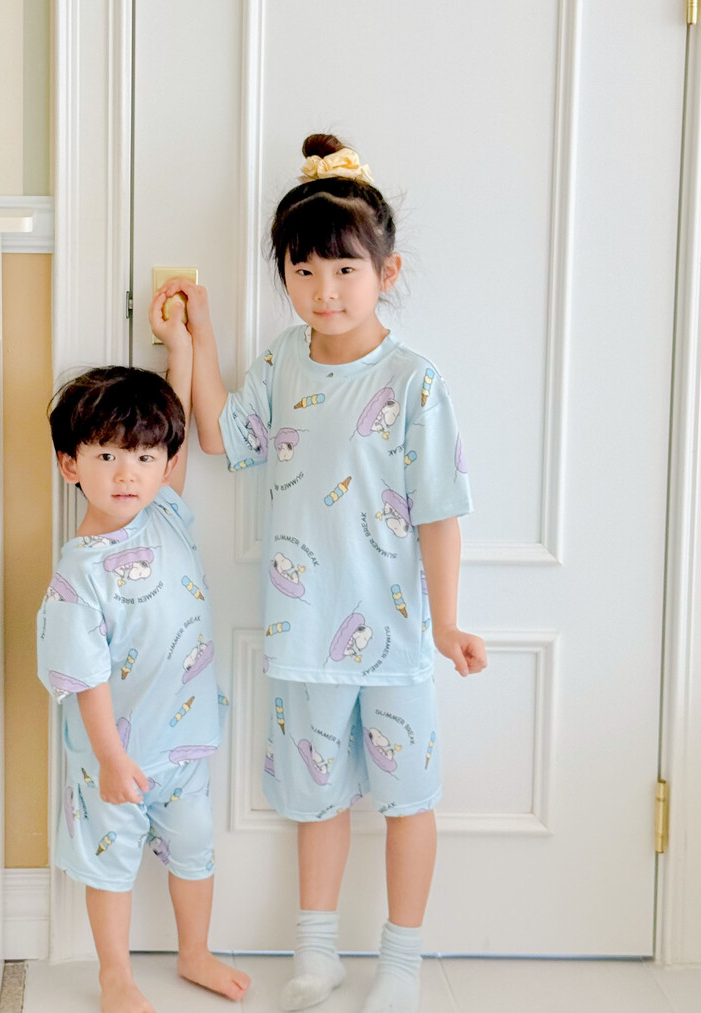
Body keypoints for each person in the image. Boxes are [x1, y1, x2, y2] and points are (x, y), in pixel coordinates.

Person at [158, 133, 486, 1013]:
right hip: (302, 635)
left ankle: (402, 961)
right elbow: (224, 438)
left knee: (407, 800)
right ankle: (317, 953)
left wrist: (448, 621)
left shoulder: (415, 383)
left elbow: (441, 512)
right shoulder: (282, 363)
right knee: (316, 798)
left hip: (396, 640)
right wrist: (200, 333)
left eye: (343, 269)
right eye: (303, 271)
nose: (324, 289)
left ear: (387, 270)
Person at [36, 292, 250, 1013]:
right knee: (111, 867)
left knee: (196, 851)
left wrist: (179, 348)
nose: (127, 472)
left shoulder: (164, 512)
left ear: (164, 463)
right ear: (71, 465)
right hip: (114, 756)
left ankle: (195, 952)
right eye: (107, 455)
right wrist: (109, 758)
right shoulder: (79, 575)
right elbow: (85, 679)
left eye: (143, 456)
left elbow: (175, 428)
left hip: (183, 744)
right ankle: (115, 976)